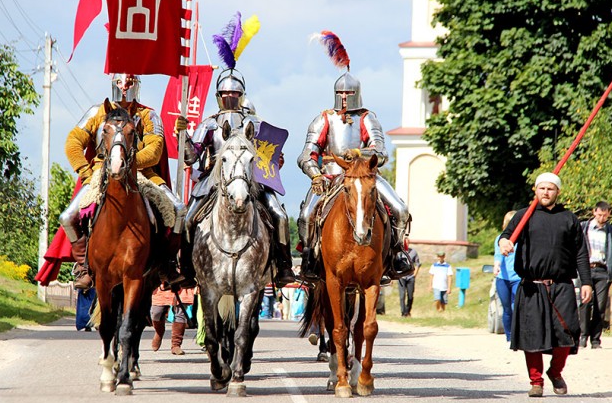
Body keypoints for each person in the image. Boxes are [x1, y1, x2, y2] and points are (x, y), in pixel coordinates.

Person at [297, 32, 411, 282]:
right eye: (342, 94)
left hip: (365, 176)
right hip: (330, 177)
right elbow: (307, 153)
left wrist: (360, 153)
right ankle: (309, 257)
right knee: (306, 215)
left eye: (350, 94)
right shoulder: (324, 118)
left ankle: (396, 254)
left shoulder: (368, 118)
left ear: (357, 94)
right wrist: (315, 174)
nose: (346, 98)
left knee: (400, 209)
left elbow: (380, 152)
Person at [59, 73, 186, 289]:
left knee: (178, 209)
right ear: (113, 84)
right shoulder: (97, 113)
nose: (124, 87)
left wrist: (130, 162)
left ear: (137, 85)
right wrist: (86, 173)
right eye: (120, 82)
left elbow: (155, 150)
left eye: (129, 83)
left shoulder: (148, 115)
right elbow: (73, 142)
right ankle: (84, 266)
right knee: (67, 217)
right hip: (102, 174)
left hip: (142, 174)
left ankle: (166, 262)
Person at [178, 68, 296, 287]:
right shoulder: (209, 124)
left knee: (279, 215)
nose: (229, 97)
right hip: (213, 180)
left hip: (252, 181)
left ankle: (284, 266)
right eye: (225, 94)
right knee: (187, 219)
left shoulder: (255, 124)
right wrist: (183, 136)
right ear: (218, 96)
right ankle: (186, 269)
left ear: (241, 96)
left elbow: (271, 156)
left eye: (233, 94)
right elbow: (192, 157)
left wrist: (276, 162)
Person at [499, 172, 592, 397]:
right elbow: (506, 235)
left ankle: (555, 371)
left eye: (550, 189)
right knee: (533, 336)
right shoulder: (524, 215)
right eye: (542, 188)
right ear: (535, 190)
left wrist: (587, 282)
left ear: (557, 192)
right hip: (531, 286)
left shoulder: (569, 218)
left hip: (562, 285)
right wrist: (504, 243)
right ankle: (536, 381)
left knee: (568, 331)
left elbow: (581, 253)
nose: (546, 192)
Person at [578, 201, 612, 349]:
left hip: (603, 270)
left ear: (608, 214)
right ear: (594, 212)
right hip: (585, 269)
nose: (602, 218)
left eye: (605, 215)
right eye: (599, 214)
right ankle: (582, 336)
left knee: (600, 306)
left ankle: (595, 339)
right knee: (585, 303)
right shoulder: (583, 228)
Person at [494, 210, 521, 342]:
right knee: (507, 309)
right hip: (503, 278)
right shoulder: (500, 239)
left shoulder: (522, 239)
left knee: (516, 306)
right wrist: (496, 265)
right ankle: (509, 336)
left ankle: (518, 335)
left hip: (518, 278)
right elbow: (498, 255)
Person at [150, 285, 194, 355]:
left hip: (182, 282)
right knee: (156, 313)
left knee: (180, 312)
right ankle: (159, 331)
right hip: (163, 283)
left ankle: (176, 345)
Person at [398, 240, 421, 317]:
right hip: (401, 277)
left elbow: (418, 264)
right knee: (402, 295)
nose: (406, 244)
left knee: (410, 296)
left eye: (407, 243)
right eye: (404, 243)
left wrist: (415, 274)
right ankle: (403, 312)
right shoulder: (399, 252)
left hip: (410, 277)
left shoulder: (413, 252)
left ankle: (408, 311)